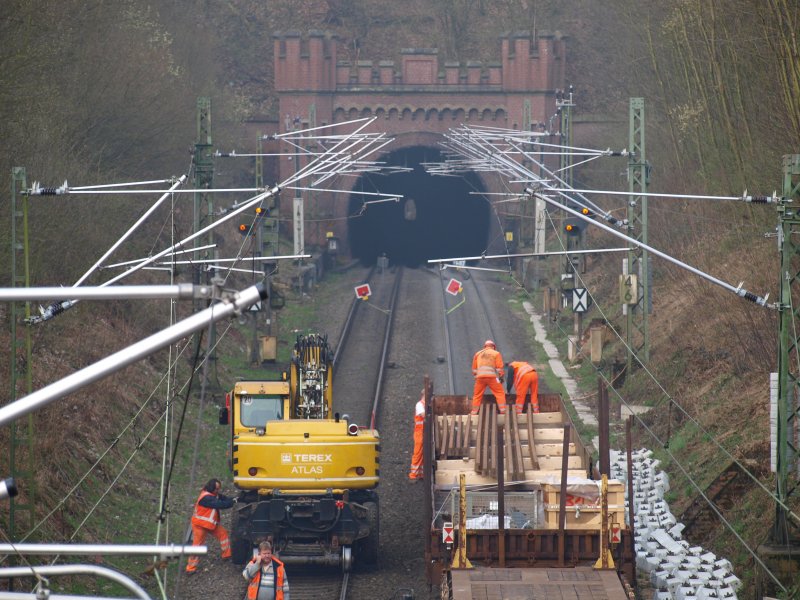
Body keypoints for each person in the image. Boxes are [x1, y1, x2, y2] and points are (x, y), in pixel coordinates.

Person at [186, 478, 236, 574]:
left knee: (223, 534)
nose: (218, 491)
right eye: (217, 489)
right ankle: (190, 568)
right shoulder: (206, 498)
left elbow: (225, 499)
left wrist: (234, 499)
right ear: (211, 488)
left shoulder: (213, 495)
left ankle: (226, 555)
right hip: (200, 525)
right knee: (197, 546)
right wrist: (233, 502)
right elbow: (221, 504)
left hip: (209, 524)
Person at [471, 340, 506, 415]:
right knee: (499, 393)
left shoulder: (478, 354)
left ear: (485, 346)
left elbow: (474, 369)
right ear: (493, 347)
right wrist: (501, 377)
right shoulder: (496, 353)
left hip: (480, 378)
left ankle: (474, 412)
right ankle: (503, 411)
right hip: (492, 377)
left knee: (477, 395)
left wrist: (476, 377)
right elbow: (499, 368)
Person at [408, 390, 425, 480]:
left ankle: (421, 473)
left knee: (423, 453)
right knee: (418, 452)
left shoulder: (424, 405)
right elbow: (424, 415)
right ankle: (413, 474)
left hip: (424, 432)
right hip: (419, 432)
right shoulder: (420, 405)